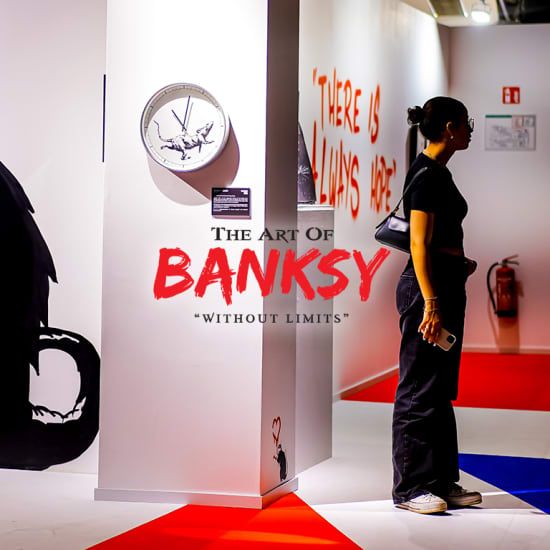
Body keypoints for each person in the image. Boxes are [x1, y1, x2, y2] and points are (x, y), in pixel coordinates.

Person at [392, 97, 481, 514]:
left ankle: (441, 479)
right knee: (418, 389)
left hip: (445, 285)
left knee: (440, 388)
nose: (469, 131)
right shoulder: (426, 174)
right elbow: (418, 244)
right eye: (466, 123)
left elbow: (439, 238)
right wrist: (430, 302)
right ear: (449, 127)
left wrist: (458, 263)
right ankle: (410, 488)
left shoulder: (438, 171)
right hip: (427, 292)